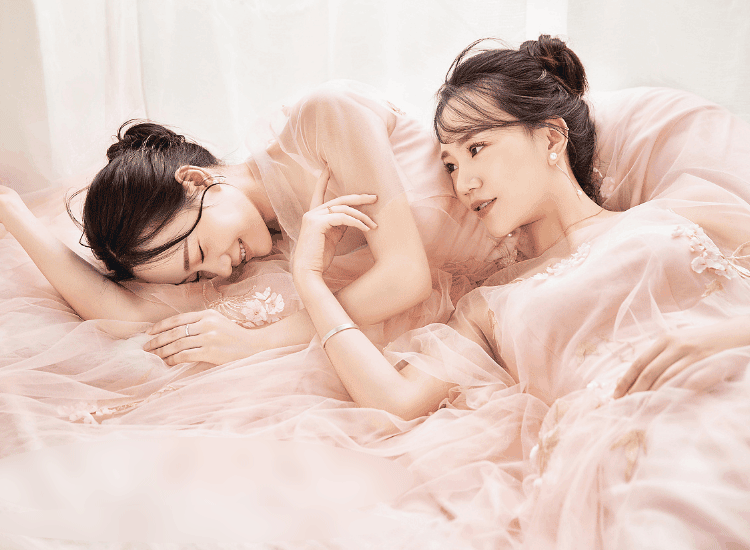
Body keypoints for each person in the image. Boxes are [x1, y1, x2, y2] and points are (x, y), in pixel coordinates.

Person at [290, 35, 750, 545]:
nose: (463, 184)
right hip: (631, 453)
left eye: (476, 148)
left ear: (551, 138)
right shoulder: (488, 304)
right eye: (450, 165)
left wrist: (725, 335)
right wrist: (309, 281)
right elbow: (395, 401)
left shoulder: (679, 210)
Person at [0, 81, 507, 365]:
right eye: (196, 277)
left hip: (532, 250)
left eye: (200, 254)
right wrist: (12, 212)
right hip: (494, 306)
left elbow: (406, 276)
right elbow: (128, 316)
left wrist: (258, 341)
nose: (220, 270)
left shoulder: (322, 120)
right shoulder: (272, 250)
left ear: (196, 180)